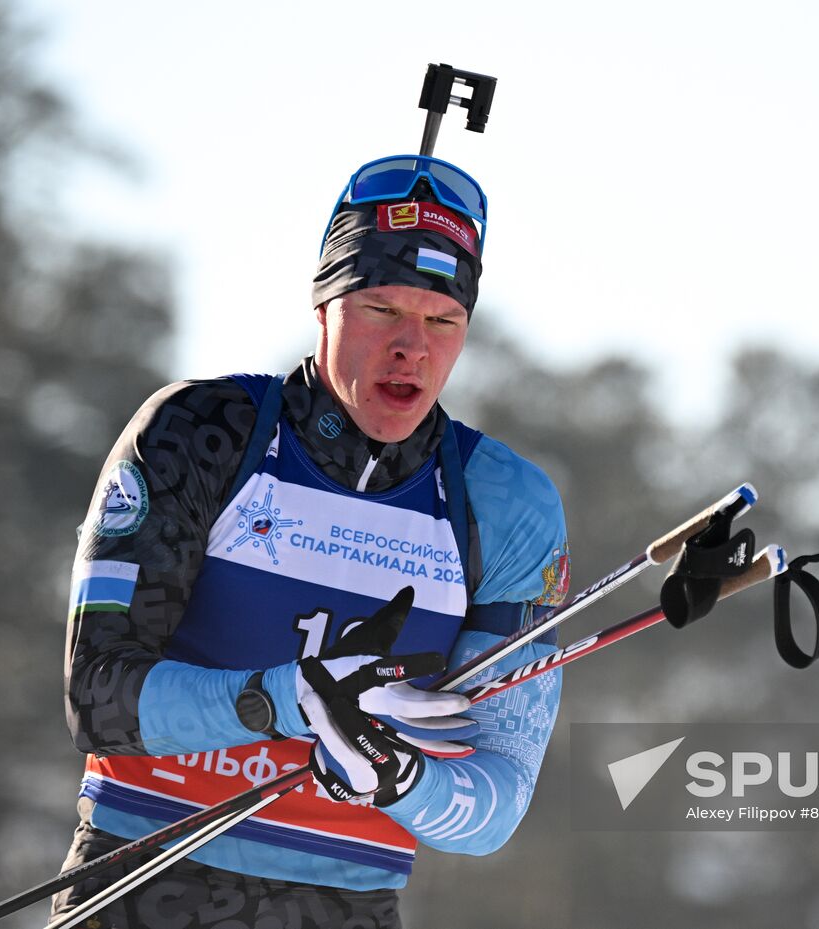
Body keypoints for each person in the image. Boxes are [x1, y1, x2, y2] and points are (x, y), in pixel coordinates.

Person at [52, 155, 570, 929]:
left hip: (346, 905)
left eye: (441, 320)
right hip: (142, 882)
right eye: (380, 309)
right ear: (323, 301)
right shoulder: (201, 431)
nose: (411, 348)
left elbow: (498, 802)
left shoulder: (504, 504)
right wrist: (287, 699)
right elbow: (97, 693)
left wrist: (395, 777)